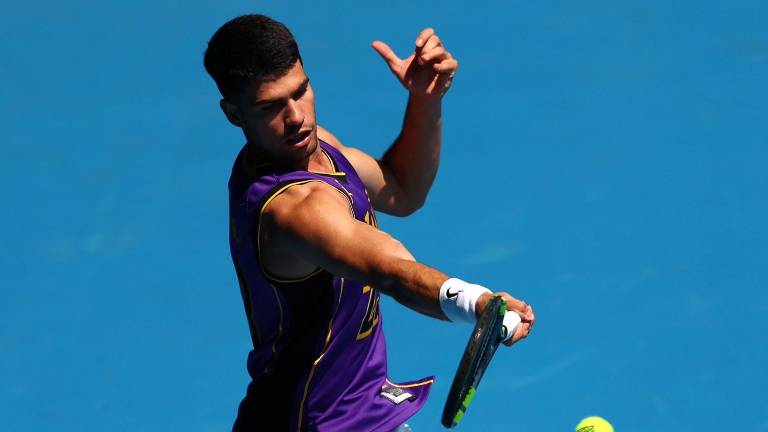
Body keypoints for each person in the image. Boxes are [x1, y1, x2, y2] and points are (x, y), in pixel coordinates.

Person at [203, 14, 535, 432]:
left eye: (301, 91)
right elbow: (388, 269)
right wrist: (476, 302)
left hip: (350, 411)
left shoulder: (318, 148)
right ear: (233, 113)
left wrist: (425, 101)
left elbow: (402, 188)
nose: (297, 118)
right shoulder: (294, 210)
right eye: (270, 106)